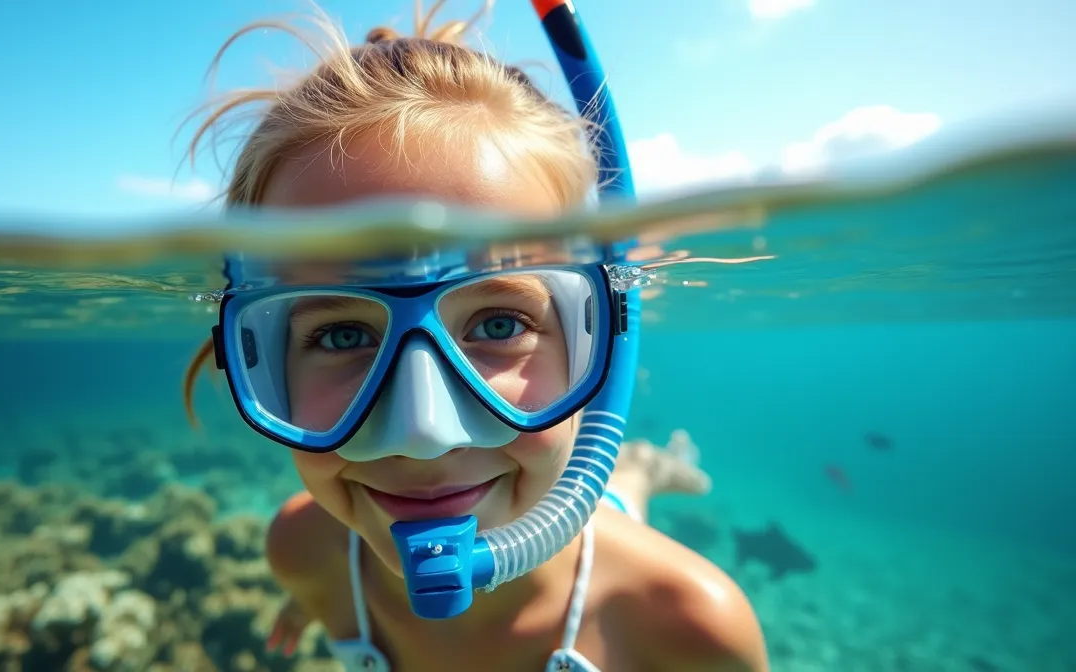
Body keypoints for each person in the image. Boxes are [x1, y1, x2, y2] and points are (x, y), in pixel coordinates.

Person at [182, 1, 768, 669]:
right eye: (342, 335)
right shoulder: (303, 553)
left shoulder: (693, 630)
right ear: (260, 363)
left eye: (499, 324)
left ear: (597, 347)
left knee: (621, 492)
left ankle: (636, 470)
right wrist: (311, 597)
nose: (424, 433)